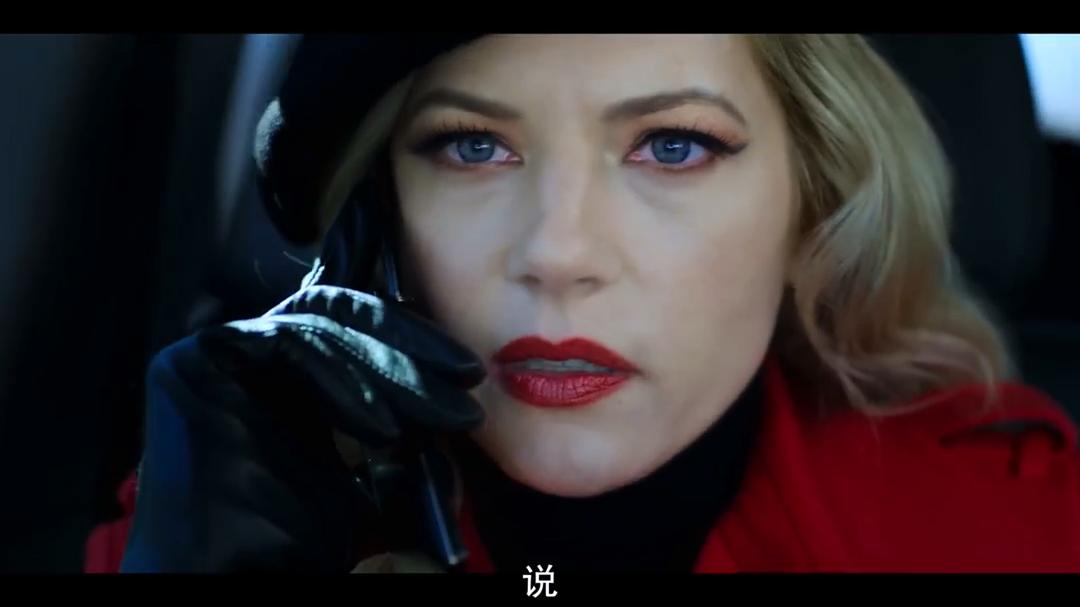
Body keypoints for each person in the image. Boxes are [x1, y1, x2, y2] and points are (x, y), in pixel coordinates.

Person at [89, 34, 1080, 574]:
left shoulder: (1008, 525)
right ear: (375, 225)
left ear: (810, 208)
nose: (556, 255)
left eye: (674, 146)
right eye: (473, 146)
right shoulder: (215, 520)